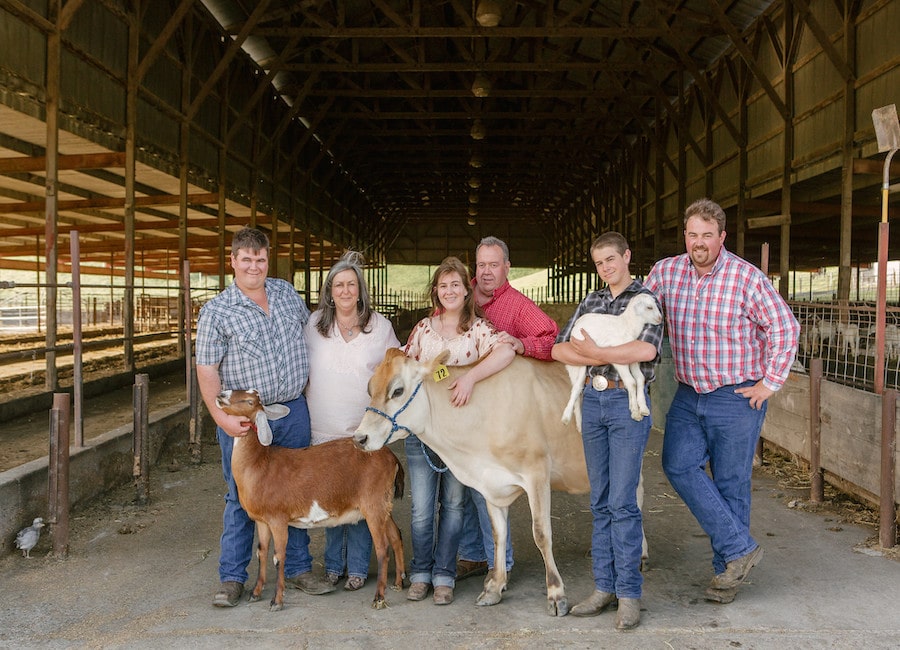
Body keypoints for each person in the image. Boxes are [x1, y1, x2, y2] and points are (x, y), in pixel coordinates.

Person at [643, 198, 800, 605]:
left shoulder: (745, 278)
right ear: (685, 235)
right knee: (677, 464)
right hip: (688, 392)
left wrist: (769, 383)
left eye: (707, 235)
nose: (699, 242)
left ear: (722, 237)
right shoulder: (665, 272)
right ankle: (740, 549)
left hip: (737, 395)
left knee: (731, 482)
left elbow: (785, 327)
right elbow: (638, 311)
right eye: (693, 234)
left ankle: (726, 575)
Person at [196, 226, 335, 608]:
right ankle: (232, 577)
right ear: (233, 261)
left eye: (260, 258)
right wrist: (221, 419)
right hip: (245, 420)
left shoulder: (287, 294)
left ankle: (298, 568)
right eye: (246, 259)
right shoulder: (217, 311)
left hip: (291, 409)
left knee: (297, 489)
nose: (254, 266)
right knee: (241, 494)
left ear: (267, 259)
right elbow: (207, 369)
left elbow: (314, 336)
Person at [551, 232, 663, 630]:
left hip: (626, 404)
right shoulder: (591, 301)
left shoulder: (646, 299)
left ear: (627, 256)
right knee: (599, 499)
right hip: (593, 402)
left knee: (623, 500)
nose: (606, 268)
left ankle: (629, 594)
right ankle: (604, 587)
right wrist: (593, 354)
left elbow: (645, 351)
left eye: (611, 259)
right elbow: (559, 349)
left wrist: (596, 353)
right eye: (599, 263)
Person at [403, 256, 516, 606]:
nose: (449, 290)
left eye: (456, 284)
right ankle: (420, 572)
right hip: (422, 434)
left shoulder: (479, 330)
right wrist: (439, 375)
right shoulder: (423, 329)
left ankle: (444, 575)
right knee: (422, 509)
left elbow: (506, 351)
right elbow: (407, 370)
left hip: (461, 437)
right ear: (435, 291)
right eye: (443, 285)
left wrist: (469, 376)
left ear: (466, 290)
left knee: (454, 506)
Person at [457, 236, 560, 582]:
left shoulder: (517, 306)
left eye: (493, 265)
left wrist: (521, 343)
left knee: (484, 486)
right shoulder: (460, 295)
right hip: (460, 403)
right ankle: (471, 553)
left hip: (499, 414)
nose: (486, 272)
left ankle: (497, 561)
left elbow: (550, 338)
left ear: (507, 268)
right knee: (460, 483)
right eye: (481, 265)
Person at [304, 251, 401, 592]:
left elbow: (394, 370)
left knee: (363, 499)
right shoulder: (314, 326)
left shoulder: (381, 328)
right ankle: (333, 566)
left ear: (361, 290)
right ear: (329, 292)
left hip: (363, 431)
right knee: (330, 498)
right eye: (338, 285)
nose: (345, 290)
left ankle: (359, 568)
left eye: (351, 284)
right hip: (323, 429)